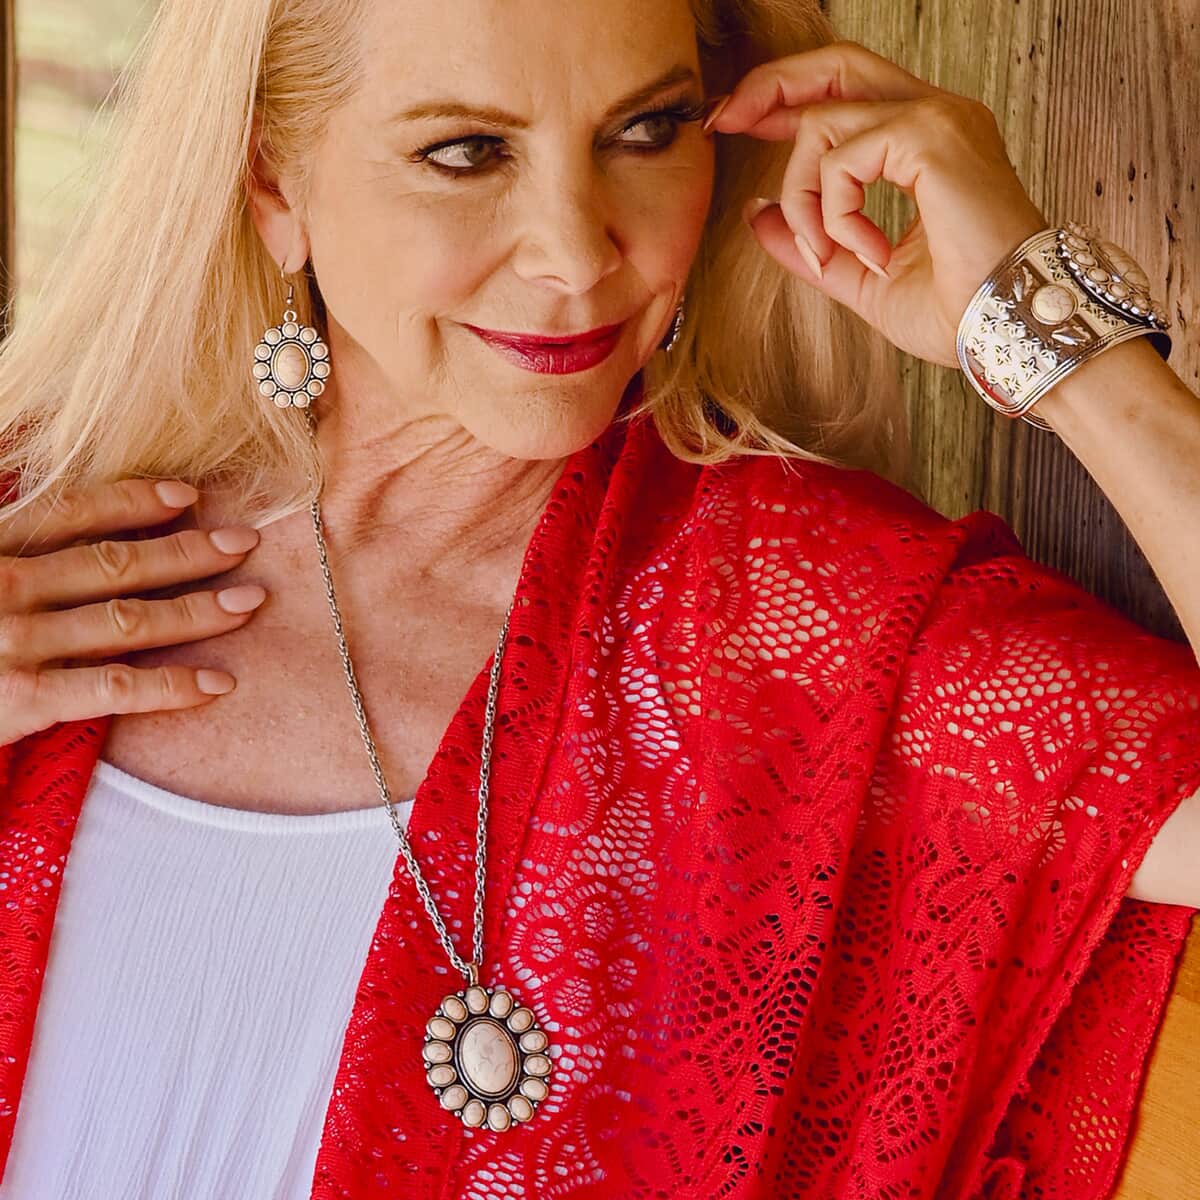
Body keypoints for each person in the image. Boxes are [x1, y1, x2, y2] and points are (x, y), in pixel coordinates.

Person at [0, 0, 1197, 1196]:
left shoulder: (805, 630)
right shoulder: (25, 537)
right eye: (467, 151)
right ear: (274, 180)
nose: (576, 254)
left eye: (647, 130)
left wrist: (1051, 331)